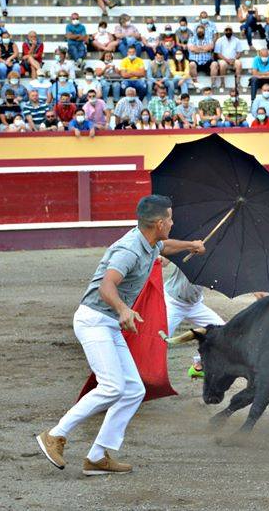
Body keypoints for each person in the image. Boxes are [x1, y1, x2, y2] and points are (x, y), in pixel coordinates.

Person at [36, 197, 204, 475]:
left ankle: (97, 456)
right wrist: (124, 309)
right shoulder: (129, 250)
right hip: (94, 321)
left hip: (109, 324)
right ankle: (55, 435)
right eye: (170, 219)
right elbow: (106, 286)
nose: (172, 223)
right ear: (159, 223)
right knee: (113, 387)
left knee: (134, 389)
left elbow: (166, 247)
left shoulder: (150, 242)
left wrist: (190, 245)